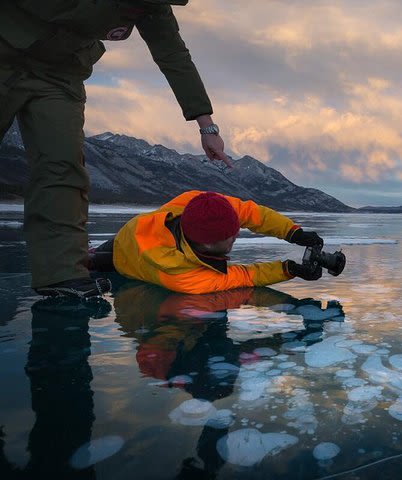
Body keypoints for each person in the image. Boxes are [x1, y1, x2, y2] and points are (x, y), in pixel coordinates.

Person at [0, 1, 230, 298]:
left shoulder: (152, 8)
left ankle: (62, 275)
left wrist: (206, 125)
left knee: (62, 168)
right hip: (5, 51)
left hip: (59, 75)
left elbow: (173, 55)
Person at [90, 190, 327, 295]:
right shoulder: (183, 277)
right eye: (231, 236)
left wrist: (293, 232)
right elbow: (242, 276)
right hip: (124, 258)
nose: (237, 235)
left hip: (133, 229)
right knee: (86, 263)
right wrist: (288, 270)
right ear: (208, 245)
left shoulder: (199, 204)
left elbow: (250, 213)